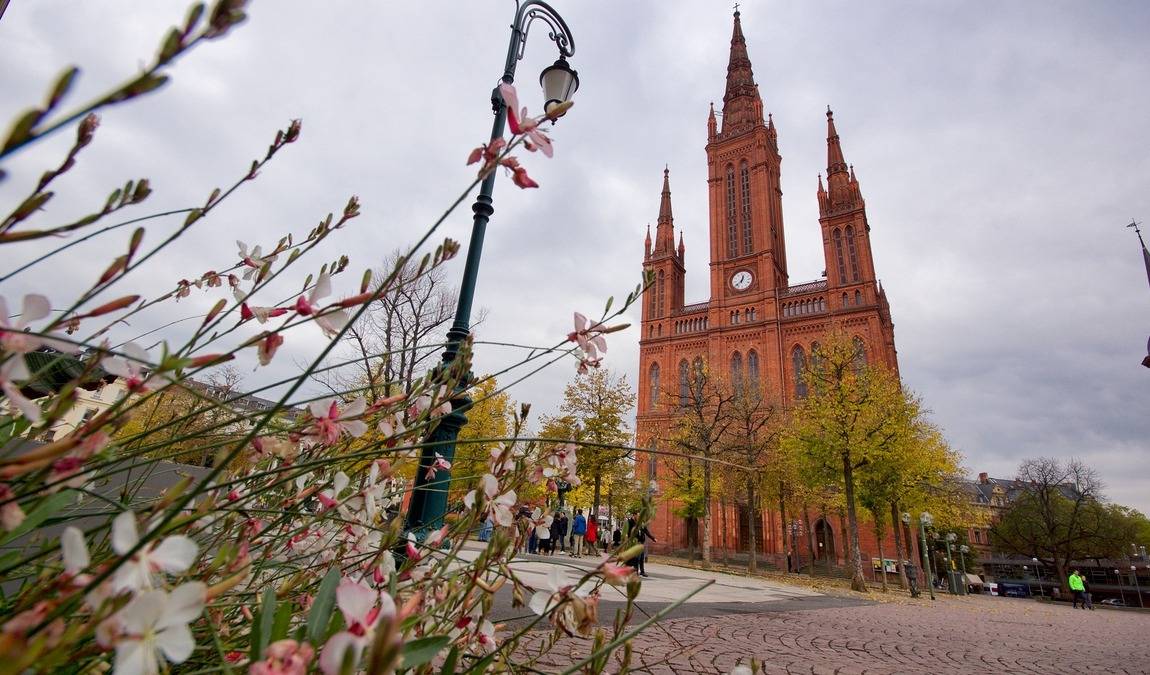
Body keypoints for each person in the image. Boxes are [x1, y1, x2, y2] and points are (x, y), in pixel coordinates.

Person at [626, 513, 657, 578]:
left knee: (641, 558)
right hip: (635, 543)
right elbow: (628, 532)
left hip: (641, 543)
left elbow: (646, 531)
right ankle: (635, 572)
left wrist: (653, 538)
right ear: (634, 515)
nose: (639, 517)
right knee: (637, 558)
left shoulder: (641, 523)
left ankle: (642, 572)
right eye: (638, 515)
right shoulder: (630, 522)